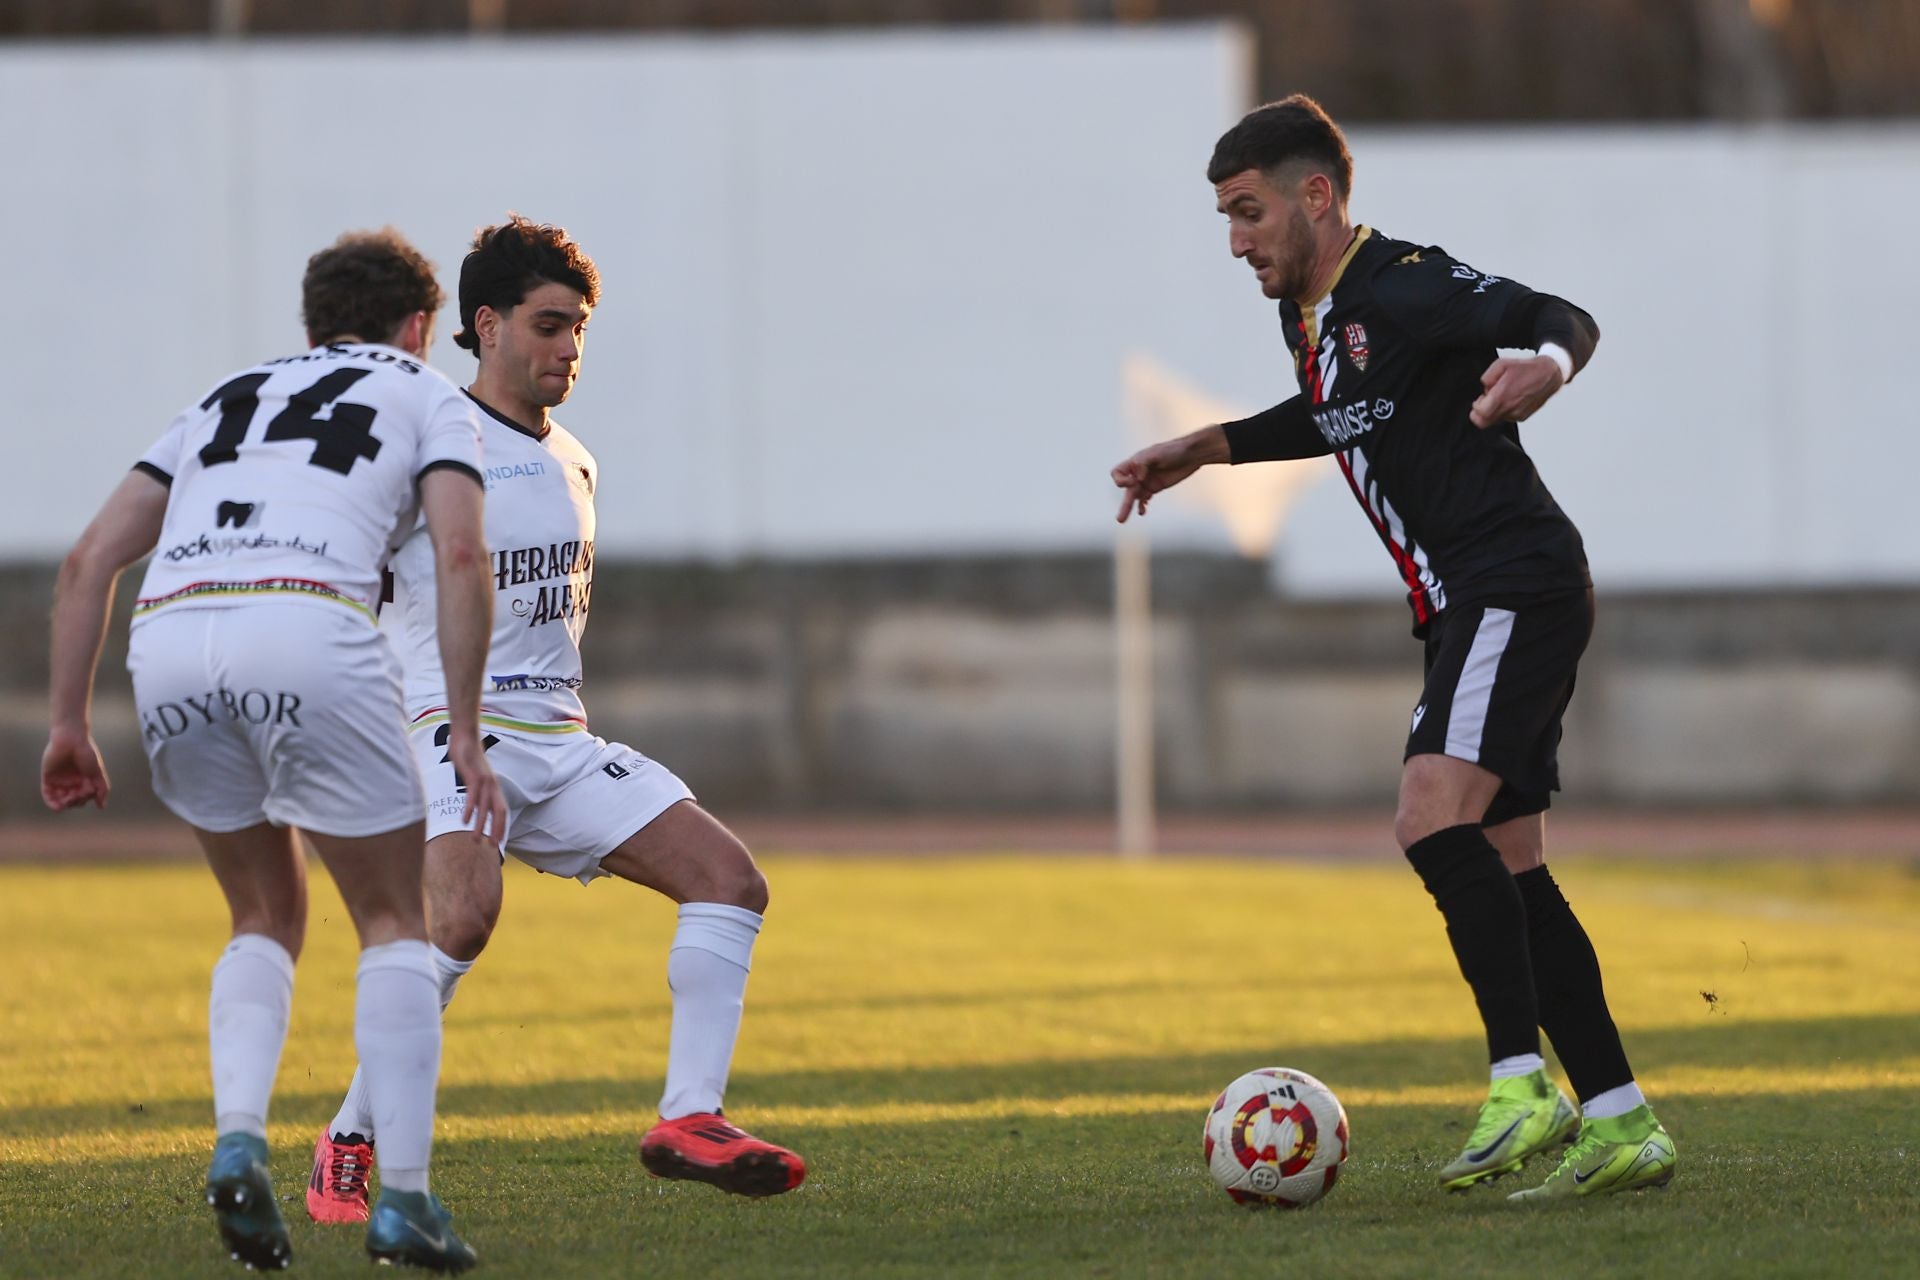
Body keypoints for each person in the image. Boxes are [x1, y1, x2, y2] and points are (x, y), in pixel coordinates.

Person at [1110, 96, 1675, 1201]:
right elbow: (1339, 417)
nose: (1236, 240)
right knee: (1514, 865)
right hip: (1473, 598)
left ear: (1315, 196)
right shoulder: (1311, 316)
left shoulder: (1405, 280)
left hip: (1508, 579)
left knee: (1428, 813)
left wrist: (1547, 367)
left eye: (1248, 211)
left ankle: (1524, 1081)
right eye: (1225, 218)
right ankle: (1619, 1117)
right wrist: (1208, 447)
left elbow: (1557, 312)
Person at [304, 216, 804, 1226]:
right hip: (447, 722)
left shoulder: (575, 457)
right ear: (484, 325)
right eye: (546, 325)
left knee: (729, 880)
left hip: (558, 738)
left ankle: (692, 1116)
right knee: (464, 919)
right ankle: (352, 1136)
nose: (566, 348)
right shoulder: (425, 438)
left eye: (577, 329)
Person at [41, 228, 504, 1270]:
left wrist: (68, 722)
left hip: (171, 636)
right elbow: (463, 552)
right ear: (419, 326)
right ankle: (407, 1202)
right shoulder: (425, 394)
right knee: (392, 917)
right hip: (306, 622)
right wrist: (465, 733)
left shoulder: (225, 394)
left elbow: (87, 560)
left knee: (264, 912)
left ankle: (239, 1138)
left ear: (311, 324)